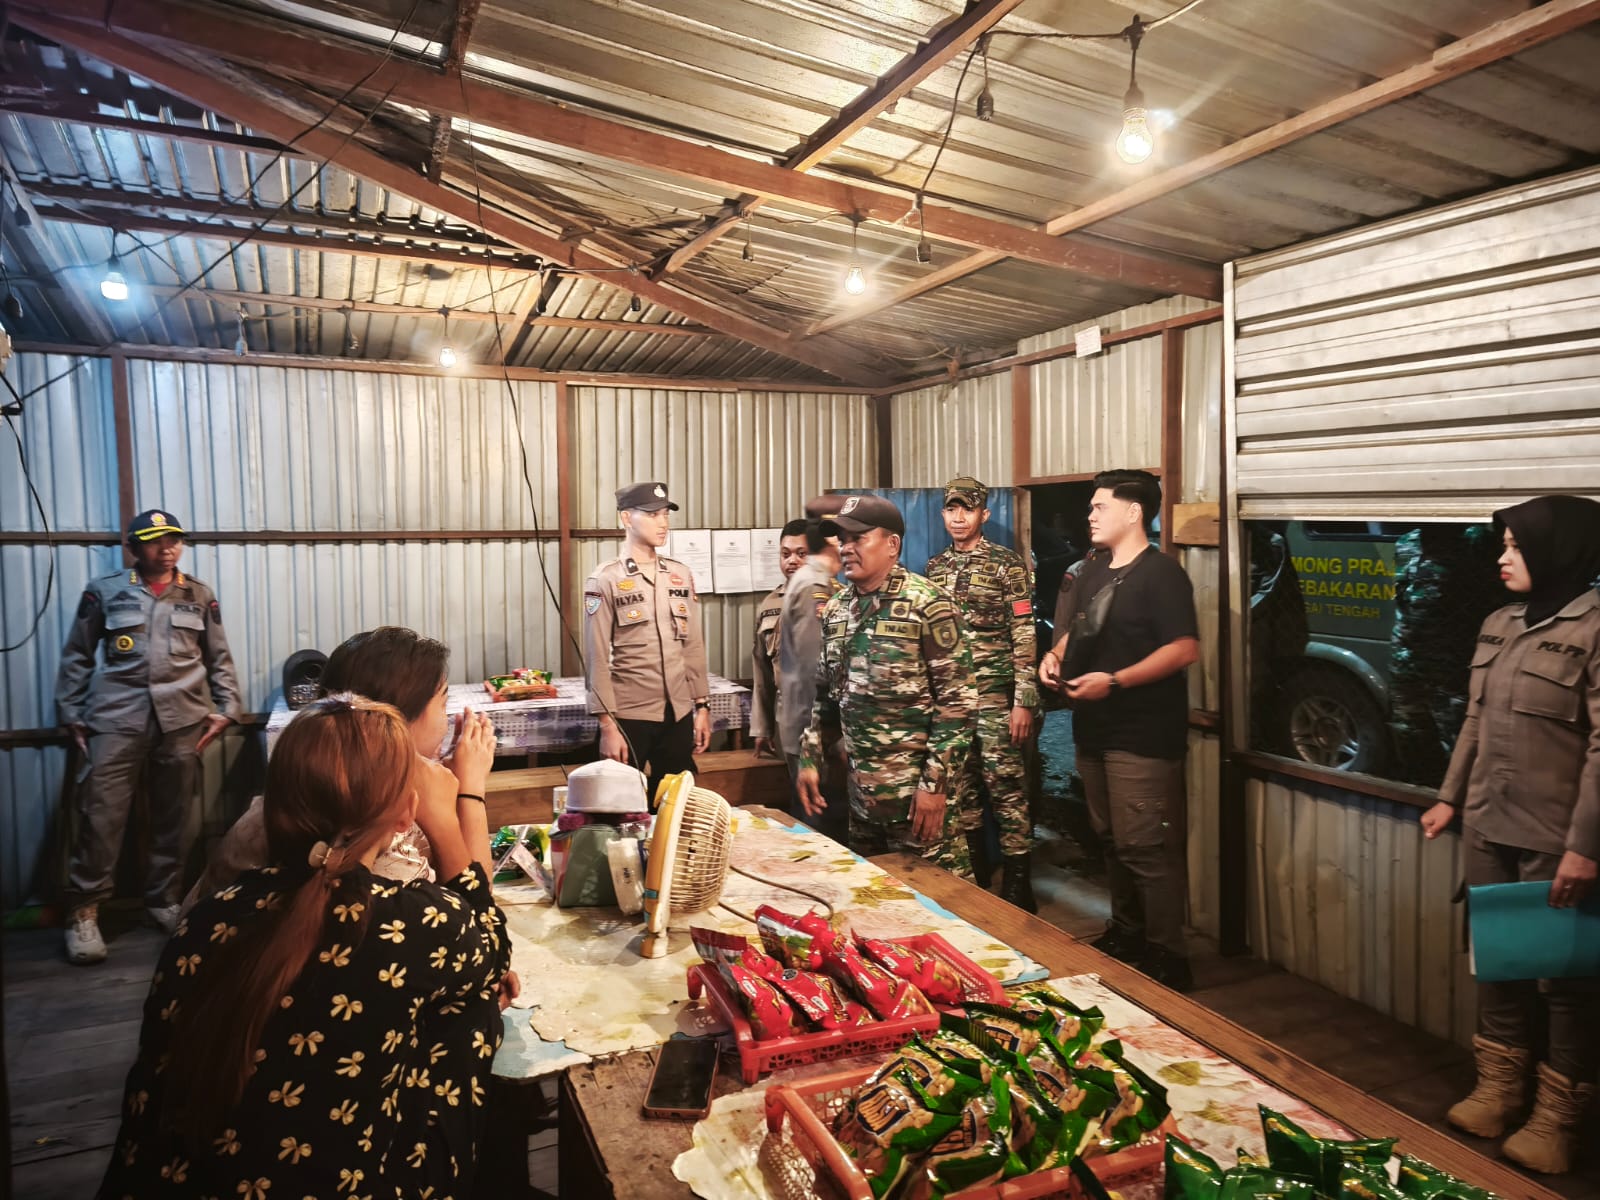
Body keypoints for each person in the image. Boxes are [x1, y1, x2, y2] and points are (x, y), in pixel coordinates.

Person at [96, 694, 510, 1200]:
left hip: (157, 1185)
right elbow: (492, 946)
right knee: (475, 1009)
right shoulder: (416, 922)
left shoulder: (209, 916)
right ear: (406, 813)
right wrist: (449, 817)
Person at [1420, 495, 1600, 1174]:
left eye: (1516, 547)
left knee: (1564, 980)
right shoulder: (1499, 623)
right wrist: (1449, 798)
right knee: (1499, 964)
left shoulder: (1594, 628)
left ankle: (1558, 1119)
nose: (1502, 558)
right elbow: (1474, 721)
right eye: (1502, 545)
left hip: (1558, 840)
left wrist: (1587, 845)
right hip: (1489, 825)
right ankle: (1499, 1088)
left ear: (1560, 552)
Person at [183, 626, 498, 912]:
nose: (449, 718)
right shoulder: (366, 826)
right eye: (443, 704)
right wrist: (471, 790)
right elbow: (473, 922)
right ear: (396, 723)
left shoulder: (318, 781)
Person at [55, 508, 241, 966]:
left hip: (181, 720)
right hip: (116, 720)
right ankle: (84, 911)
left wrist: (228, 709)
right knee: (101, 817)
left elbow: (218, 657)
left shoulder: (198, 595)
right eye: (156, 540)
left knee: (174, 817)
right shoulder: (105, 593)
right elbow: (78, 655)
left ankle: (163, 900)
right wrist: (71, 711)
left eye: (174, 539)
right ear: (134, 548)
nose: (168, 547)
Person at [1039, 470, 1199, 990]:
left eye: (1100, 506)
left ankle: (1167, 953)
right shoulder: (1092, 570)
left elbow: (1184, 649)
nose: (1089, 514)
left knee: (1146, 847)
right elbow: (1077, 629)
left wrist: (1116, 681)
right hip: (1095, 728)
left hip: (1142, 733)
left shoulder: (1162, 574)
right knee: (1111, 840)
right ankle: (1127, 933)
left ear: (1134, 513)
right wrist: (1053, 656)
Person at [796, 495, 977, 875]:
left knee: (945, 915)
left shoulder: (928, 605)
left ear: (892, 545)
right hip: (862, 804)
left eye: (858, 538)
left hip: (918, 804)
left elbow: (957, 705)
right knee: (879, 910)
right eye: (841, 540)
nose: (846, 548)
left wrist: (935, 786)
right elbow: (826, 698)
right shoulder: (836, 610)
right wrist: (811, 758)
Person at [926, 475, 1040, 911]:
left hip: (997, 698)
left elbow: (1024, 631)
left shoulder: (1007, 565)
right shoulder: (936, 568)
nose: (958, 517)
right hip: (954, 702)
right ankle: (974, 874)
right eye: (951, 509)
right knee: (961, 788)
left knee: (1007, 789)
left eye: (967, 509)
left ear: (984, 515)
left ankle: (1018, 884)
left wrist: (1023, 701)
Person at [583, 481, 711, 807]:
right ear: (627, 519)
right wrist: (607, 725)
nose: (663, 522)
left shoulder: (679, 575)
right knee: (620, 810)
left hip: (678, 713)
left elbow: (693, 647)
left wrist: (702, 706)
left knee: (680, 807)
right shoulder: (605, 579)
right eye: (653, 514)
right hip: (630, 716)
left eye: (665, 514)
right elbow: (596, 655)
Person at [778, 506, 847, 842]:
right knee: (821, 836)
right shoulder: (814, 587)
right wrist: (826, 737)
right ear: (834, 541)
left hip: (808, 727)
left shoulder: (813, 581)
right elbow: (814, 668)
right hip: (812, 730)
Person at [750, 520, 810, 761]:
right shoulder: (770, 605)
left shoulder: (836, 599)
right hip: (789, 718)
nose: (791, 560)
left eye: (801, 554)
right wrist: (762, 729)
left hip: (832, 721)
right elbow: (761, 672)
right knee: (798, 794)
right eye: (785, 554)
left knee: (836, 795)